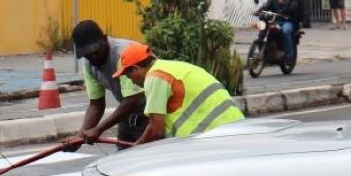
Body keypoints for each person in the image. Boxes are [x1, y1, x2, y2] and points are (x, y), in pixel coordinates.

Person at [111, 42, 244, 145]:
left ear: (135, 69)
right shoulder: (170, 67)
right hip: (233, 128)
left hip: (214, 136)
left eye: (129, 77)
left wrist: (136, 148)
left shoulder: (155, 76)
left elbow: (156, 130)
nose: (132, 83)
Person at [63, 20, 147, 150]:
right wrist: (80, 137)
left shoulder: (123, 54)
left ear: (104, 39)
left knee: (150, 162)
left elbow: (133, 99)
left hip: (153, 113)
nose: (93, 57)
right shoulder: (89, 64)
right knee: (125, 162)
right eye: (87, 55)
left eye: (95, 50)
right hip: (128, 116)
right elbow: (96, 104)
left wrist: (99, 129)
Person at [257, 0, 301, 64]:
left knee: (285, 31)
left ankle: (289, 57)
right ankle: (264, 54)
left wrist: (286, 11)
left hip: (288, 21)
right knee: (263, 29)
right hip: (274, 21)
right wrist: (258, 11)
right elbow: (265, 7)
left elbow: (293, 7)